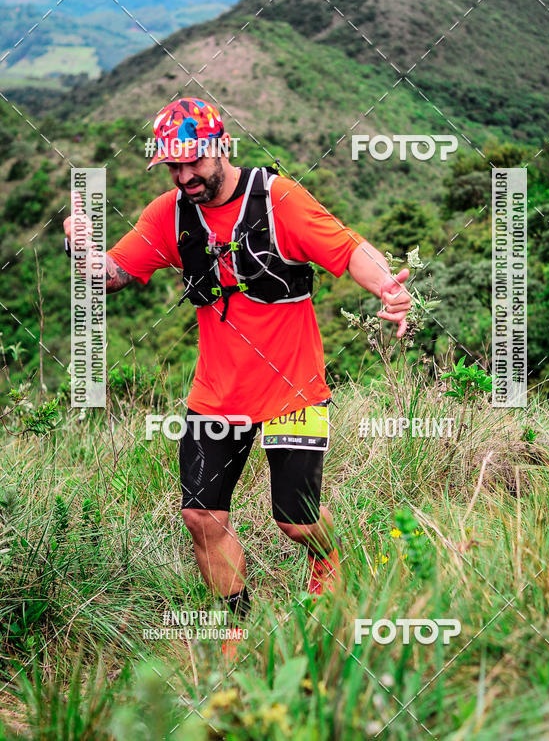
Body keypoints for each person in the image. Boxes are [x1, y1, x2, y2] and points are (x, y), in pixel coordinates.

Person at [63, 97, 411, 660]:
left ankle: (328, 554)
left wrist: (389, 291)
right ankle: (239, 630)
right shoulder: (169, 215)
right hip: (217, 395)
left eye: (193, 162)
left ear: (221, 147)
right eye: (172, 167)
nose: (184, 177)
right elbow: (112, 275)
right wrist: (80, 251)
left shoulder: (277, 200)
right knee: (200, 515)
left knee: (295, 522)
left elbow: (349, 250)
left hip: (292, 388)